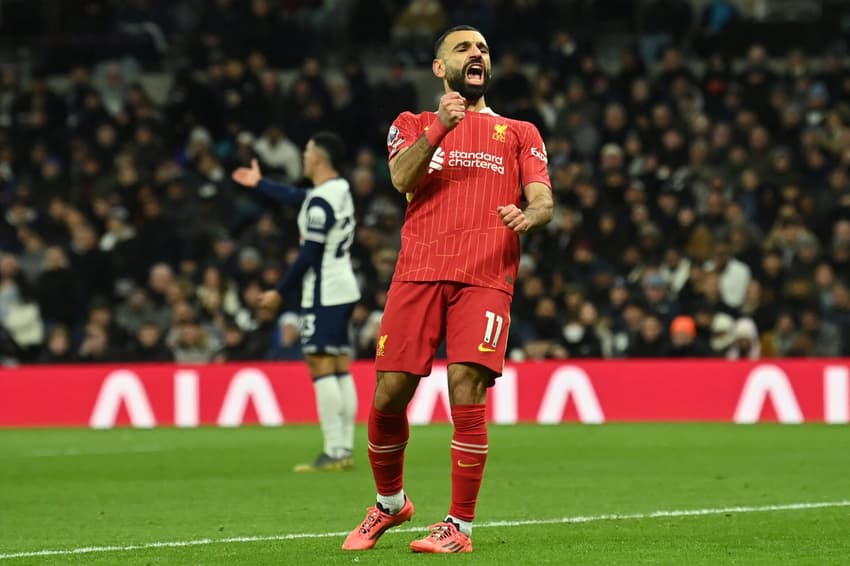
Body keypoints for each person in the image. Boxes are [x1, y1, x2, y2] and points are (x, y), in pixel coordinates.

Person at [342, 25, 553, 554]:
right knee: (388, 395)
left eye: (483, 48)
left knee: (467, 388)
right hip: (417, 271)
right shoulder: (412, 123)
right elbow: (400, 178)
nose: (477, 54)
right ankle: (390, 504)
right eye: (464, 48)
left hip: (485, 274)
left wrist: (528, 216)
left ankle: (459, 526)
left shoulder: (520, 132)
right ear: (440, 68)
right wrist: (439, 126)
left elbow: (544, 200)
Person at [231, 132, 361, 472]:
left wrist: (279, 291)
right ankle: (344, 450)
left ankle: (334, 450)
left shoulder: (320, 201)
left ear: (317, 157)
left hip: (325, 290)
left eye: (306, 151)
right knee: (338, 365)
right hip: (344, 287)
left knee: (320, 363)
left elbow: (309, 253)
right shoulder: (339, 190)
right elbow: (298, 196)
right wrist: (261, 183)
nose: (303, 157)